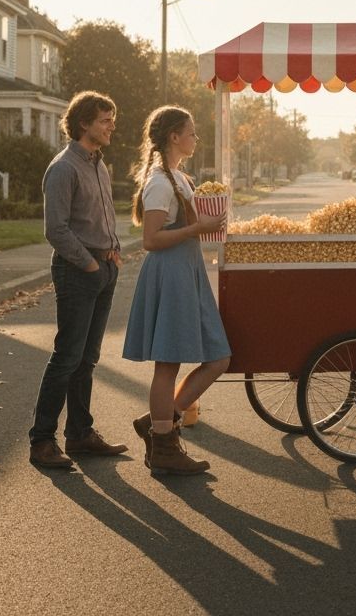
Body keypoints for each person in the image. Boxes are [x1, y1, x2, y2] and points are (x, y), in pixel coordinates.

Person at [123, 106, 231, 475]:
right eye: (191, 132)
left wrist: (208, 224)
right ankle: (164, 447)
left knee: (218, 358)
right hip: (170, 273)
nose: (195, 139)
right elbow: (150, 240)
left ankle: (160, 423)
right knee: (168, 363)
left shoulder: (181, 178)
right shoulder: (159, 182)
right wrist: (196, 229)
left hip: (188, 271)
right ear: (174, 137)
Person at [29, 91, 129, 469]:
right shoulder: (63, 168)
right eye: (105, 119)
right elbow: (55, 229)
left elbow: (103, 217)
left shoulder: (99, 165)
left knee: (87, 358)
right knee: (67, 357)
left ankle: (80, 434)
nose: (111, 126)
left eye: (111, 119)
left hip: (104, 269)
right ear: (84, 123)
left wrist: (113, 251)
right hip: (77, 271)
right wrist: (89, 264)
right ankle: (42, 441)